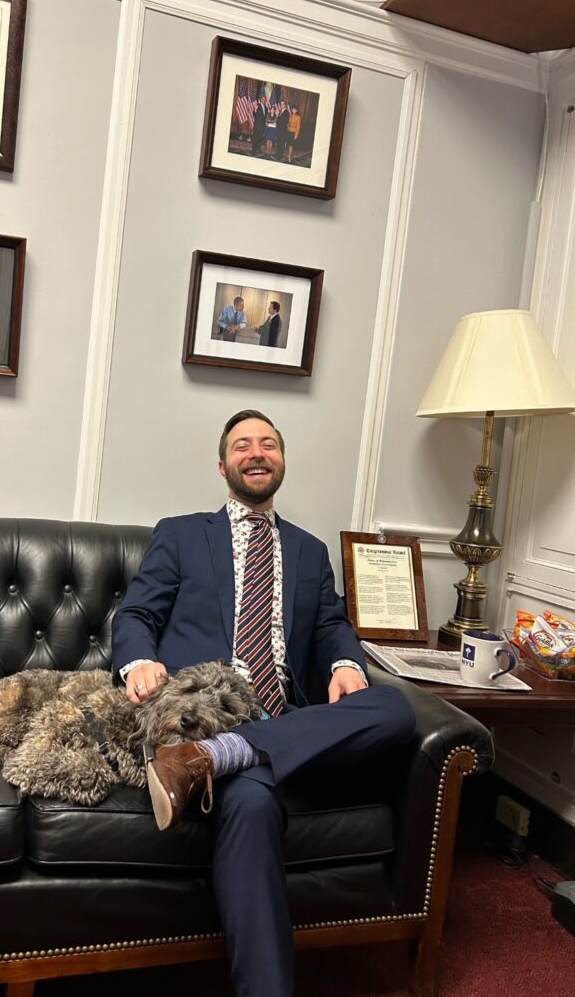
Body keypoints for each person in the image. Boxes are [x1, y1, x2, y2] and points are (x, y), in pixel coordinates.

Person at [111, 410, 416, 997]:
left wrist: (347, 665)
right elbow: (138, 614)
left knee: (397, 709)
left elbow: (331, 625)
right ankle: (220, 750)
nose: (257, 453)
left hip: (282, 721)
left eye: (269, 444)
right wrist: (139, 660)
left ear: (282, 460)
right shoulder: (181, 533)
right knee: (251, 807)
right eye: (243, 445)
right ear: (222, 464)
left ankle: (218, 756)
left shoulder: (308, 549)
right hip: (210, 711)